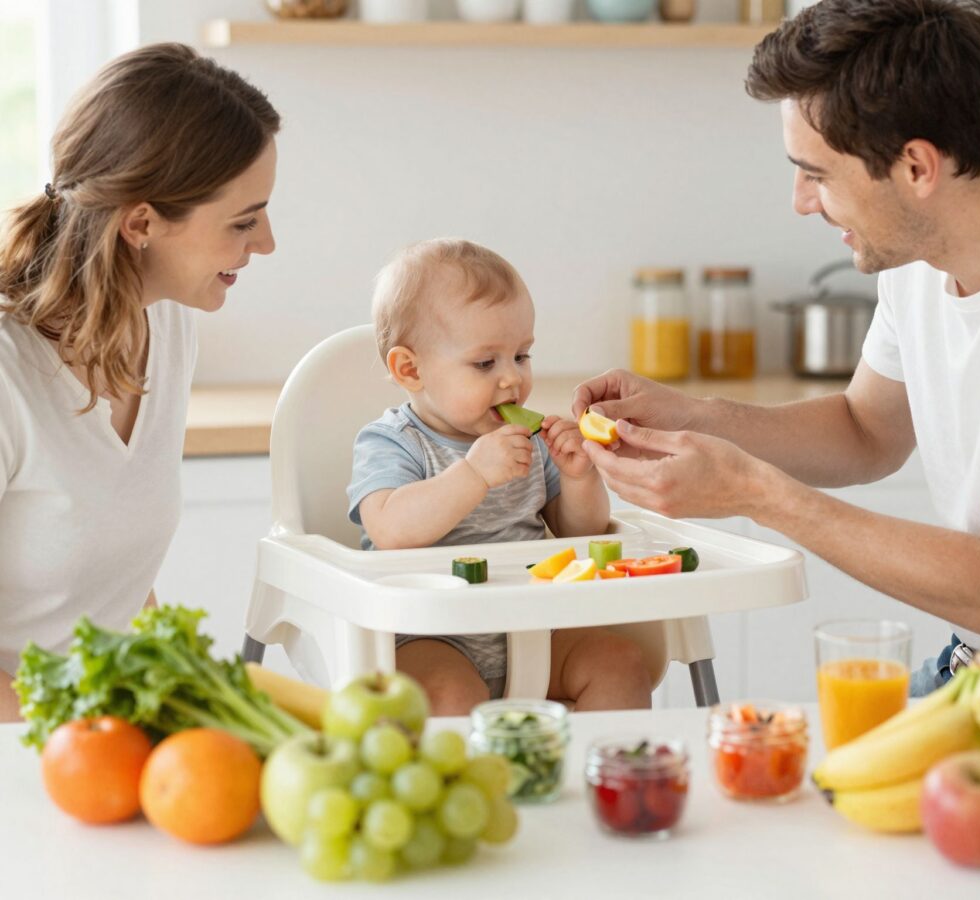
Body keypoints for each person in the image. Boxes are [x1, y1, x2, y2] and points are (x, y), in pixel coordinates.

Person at [573, 0, 980, 695]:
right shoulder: (923, 248)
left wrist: (753, 492)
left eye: (817, 173)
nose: (801, 202)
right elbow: (866, 431)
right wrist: (689, 415)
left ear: (917, 167)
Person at [0, 43, 280, 721]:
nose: (267, 241)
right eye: (243, 220)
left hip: (103, 736)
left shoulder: (171, 328)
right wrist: (77, 738)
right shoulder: (9, 375)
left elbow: (107, 582)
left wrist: (178, 688)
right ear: (142, 223)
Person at [347, 238, 653, 715]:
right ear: (411, 369)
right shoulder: (393, 441)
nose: (511, 379)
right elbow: (388, 530)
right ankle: (472, 787)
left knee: (623, 666)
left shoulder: (527, 439)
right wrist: (473, 474)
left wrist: (578, 478)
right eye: (486, 363)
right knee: (447, 696)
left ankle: (588, 782)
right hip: (430, 636)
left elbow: (581, 532)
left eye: (522, 356)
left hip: (535, 625)